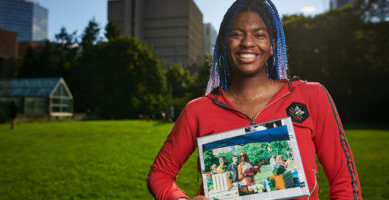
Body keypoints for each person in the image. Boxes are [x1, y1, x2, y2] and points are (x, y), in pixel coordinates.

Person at [147, 0, 362, 199]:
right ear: (224, 43)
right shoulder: (197, 110)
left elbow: (344, 180)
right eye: (237, 34)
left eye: (259, 35)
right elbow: (160, 173)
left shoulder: (311, 96)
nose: (248, 43)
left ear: (272, 46)